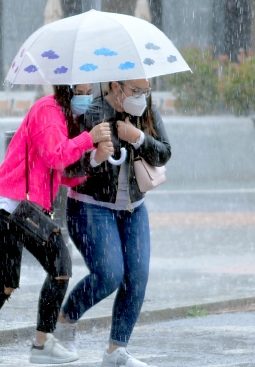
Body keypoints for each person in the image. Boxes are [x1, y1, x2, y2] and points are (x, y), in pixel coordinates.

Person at [0, 84, 110, 366]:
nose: (90, 91)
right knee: (6, 283)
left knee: (59, 267)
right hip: (3, 210)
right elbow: (56, 155)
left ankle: (42, 344)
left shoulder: (64, 116)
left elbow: (62, 174)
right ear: (71, 85)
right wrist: (89, 139)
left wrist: (95, 159)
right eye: (86, 85)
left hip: (24, 211)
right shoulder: (47, 110)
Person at [55, 79, 171, 367]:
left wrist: (138, 138)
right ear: (115, 87)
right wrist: (95, 157)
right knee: (109, 274)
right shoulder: (92, 114)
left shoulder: (147, 112)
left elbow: (165, 152)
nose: (141, 96)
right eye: (135, 90)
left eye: (146, 90)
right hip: (91, 207)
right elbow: (69, 165)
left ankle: (116, 350)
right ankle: (66, 319)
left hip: (134, 208)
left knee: (137, 275)